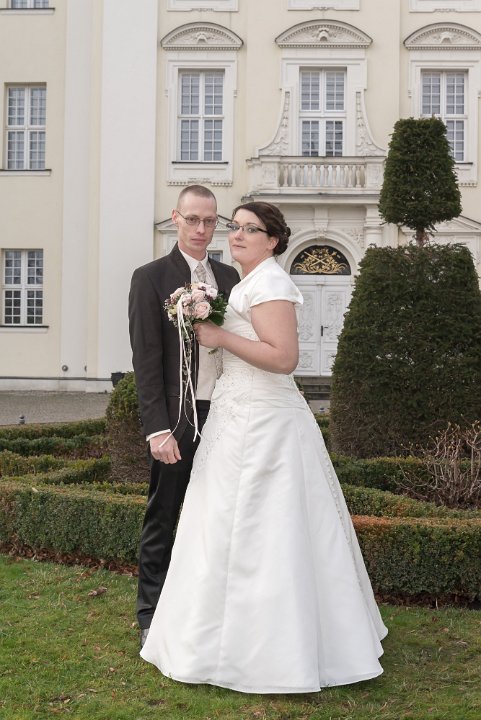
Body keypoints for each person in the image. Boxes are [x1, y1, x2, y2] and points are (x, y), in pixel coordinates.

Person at [140, 201, 388, 693]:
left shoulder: (270, 283)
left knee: (265, 530)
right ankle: (215, 638)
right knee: (220, 525)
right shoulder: (245, 282)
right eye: (235, 226)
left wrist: (218, 336)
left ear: (273, 240)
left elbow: (284, 358)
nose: (236, 235)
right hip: (236, 413)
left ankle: (270, 648)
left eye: (250, 229)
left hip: (263, 422)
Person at [128, 185, 240, 647]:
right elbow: (146, 359)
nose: (201, 229)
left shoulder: (231, 277)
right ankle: (150, 613)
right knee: (164, 512)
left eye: (209, 221)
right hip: (178, 418)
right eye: (192, 219)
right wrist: (157, 429)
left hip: (228, 412)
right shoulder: (151, 277)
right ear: (175, 218)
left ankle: (207, 608)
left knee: (220, 513)